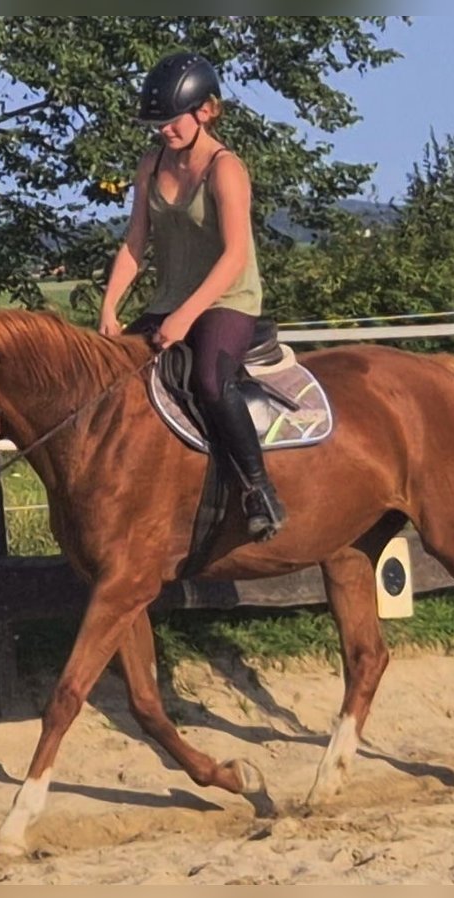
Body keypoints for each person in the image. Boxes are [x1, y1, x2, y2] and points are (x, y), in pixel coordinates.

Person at [98, 51, 286, 541]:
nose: (163, 130)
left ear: (207, 111)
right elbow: (134, 242)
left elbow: (234, 257)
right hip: (168, 301)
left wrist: (184, 317)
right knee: (114, 377)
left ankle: (258, 489)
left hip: (228, 300)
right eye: (156, 123)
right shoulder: (150, 164)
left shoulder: (226, 169)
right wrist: (109, 307)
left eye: (171, 120)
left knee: (208, 380)